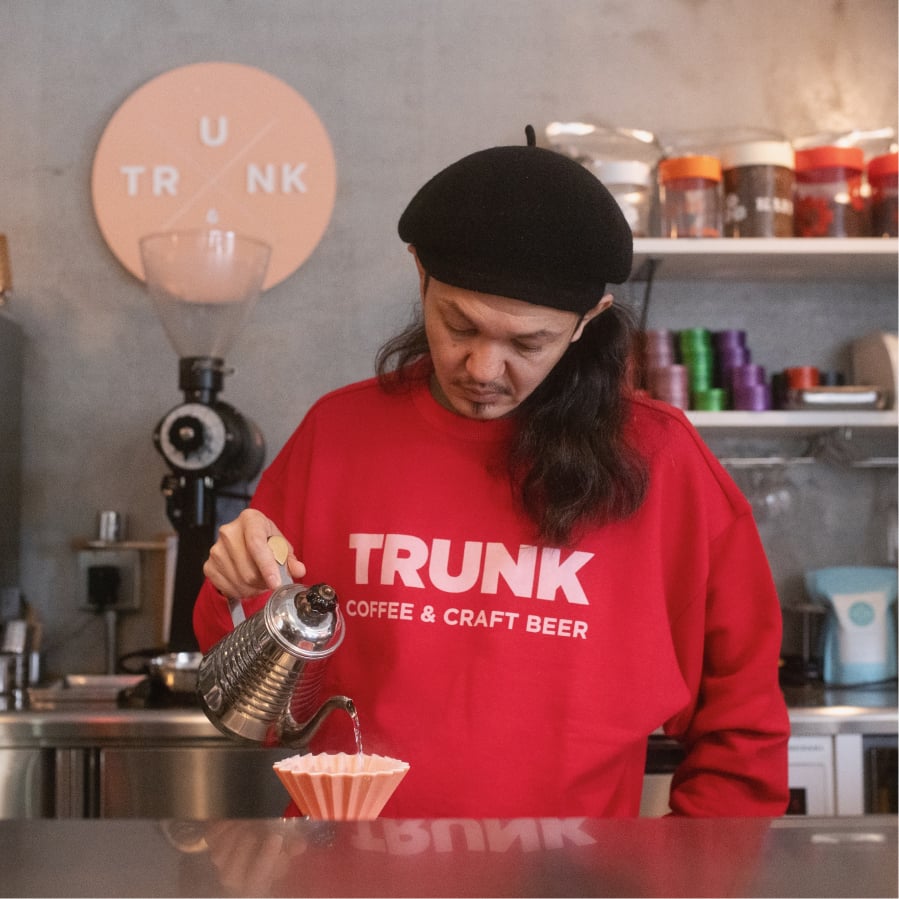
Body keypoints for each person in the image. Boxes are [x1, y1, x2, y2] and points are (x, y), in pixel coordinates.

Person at [194, 126, 790, 819]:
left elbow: (743, 729)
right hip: (343, 865)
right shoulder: (338, 434)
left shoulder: (662, 461)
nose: (482, 369)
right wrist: (240, 584)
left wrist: (691, 868)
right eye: (460, 325)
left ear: (586, 321)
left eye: (527, 343)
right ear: (420, 274)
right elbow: (251, 696)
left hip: (572, 873)